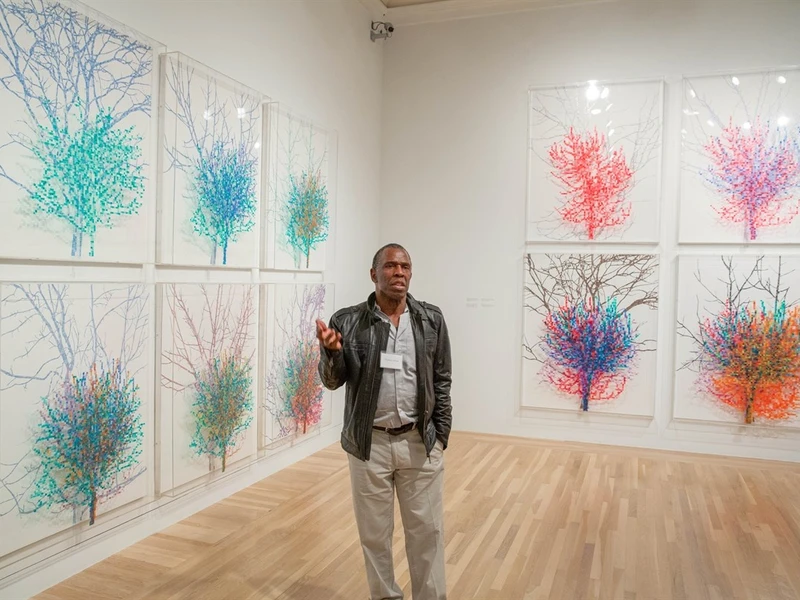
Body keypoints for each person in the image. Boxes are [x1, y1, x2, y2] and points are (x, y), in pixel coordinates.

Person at [316, 243, 452, 600]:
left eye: (405, 266)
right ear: (373, 274)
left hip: (419, 443)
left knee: (428, 533)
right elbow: (333, 381)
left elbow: (442, 379)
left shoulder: (430, 319)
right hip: (369, 446)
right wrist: (332, 353)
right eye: (390, 266)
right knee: (374, 536)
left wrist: (440, 436)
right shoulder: (347, 321)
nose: (399, 272)